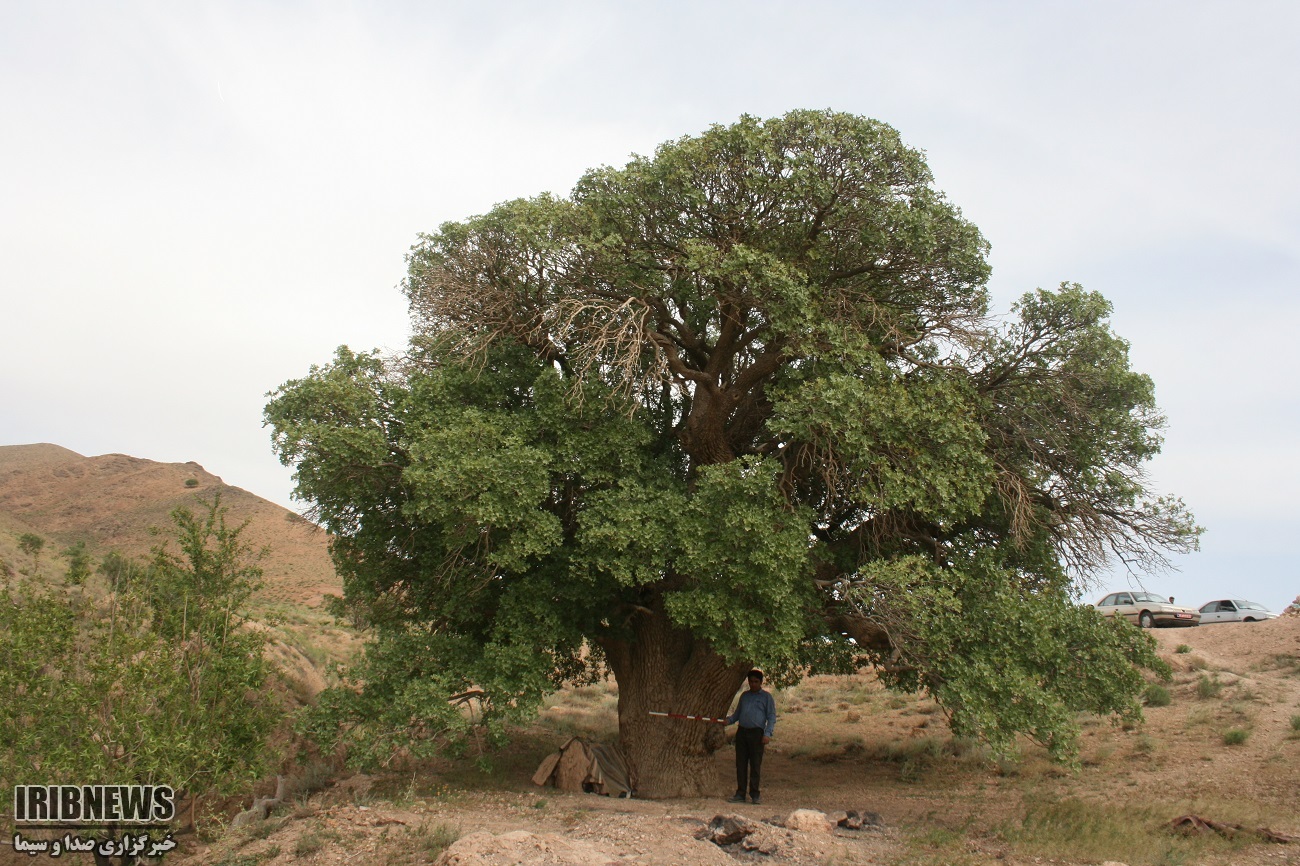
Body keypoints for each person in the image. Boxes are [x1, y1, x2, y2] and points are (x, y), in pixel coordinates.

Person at [725, 669, 776, 805]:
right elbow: (737, 715)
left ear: (760, 682)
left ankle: (755, 794)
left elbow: (771, 717)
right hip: (742, 733)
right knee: (740, 764)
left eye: (756, 682)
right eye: (751, 681)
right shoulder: (744, 696)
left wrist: (767, 734)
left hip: (757, 734)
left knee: (755, 765)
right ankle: (740, 793)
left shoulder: (766, 697)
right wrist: (728, 721)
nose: (753, 684)